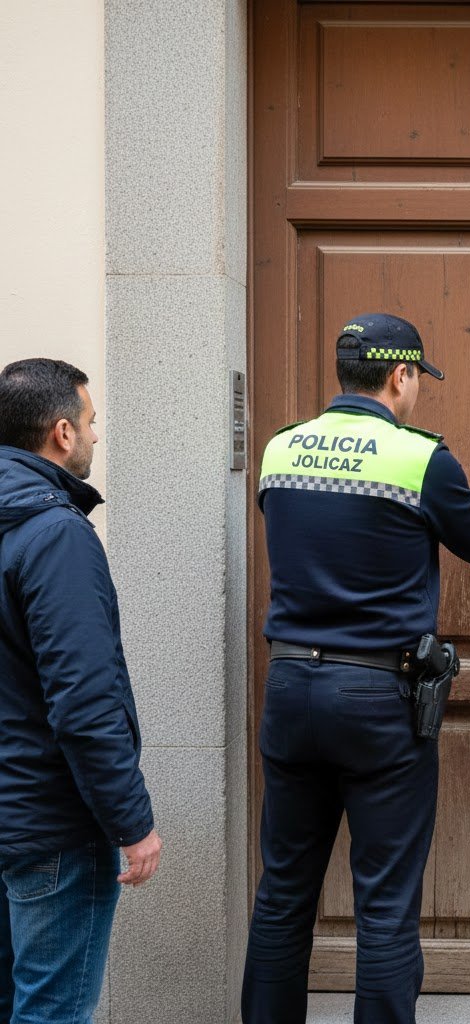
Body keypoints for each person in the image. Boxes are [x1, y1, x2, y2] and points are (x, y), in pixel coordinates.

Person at [242, 312, 470, 1024]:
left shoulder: (281, 448)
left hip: (291, 686)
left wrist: (447, 510)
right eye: (417, 381)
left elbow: (330, 526)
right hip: (378, 695)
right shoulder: (422, 458)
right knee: (385, 900)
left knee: (284, 891)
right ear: (401, 374)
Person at [0, 358, 163, 1024]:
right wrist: (132, 821)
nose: (97, 436)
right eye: (92, 422)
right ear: (61, 433)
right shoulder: (56, 535)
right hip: (51, 826)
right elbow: (84, 700)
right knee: (52, 1011)